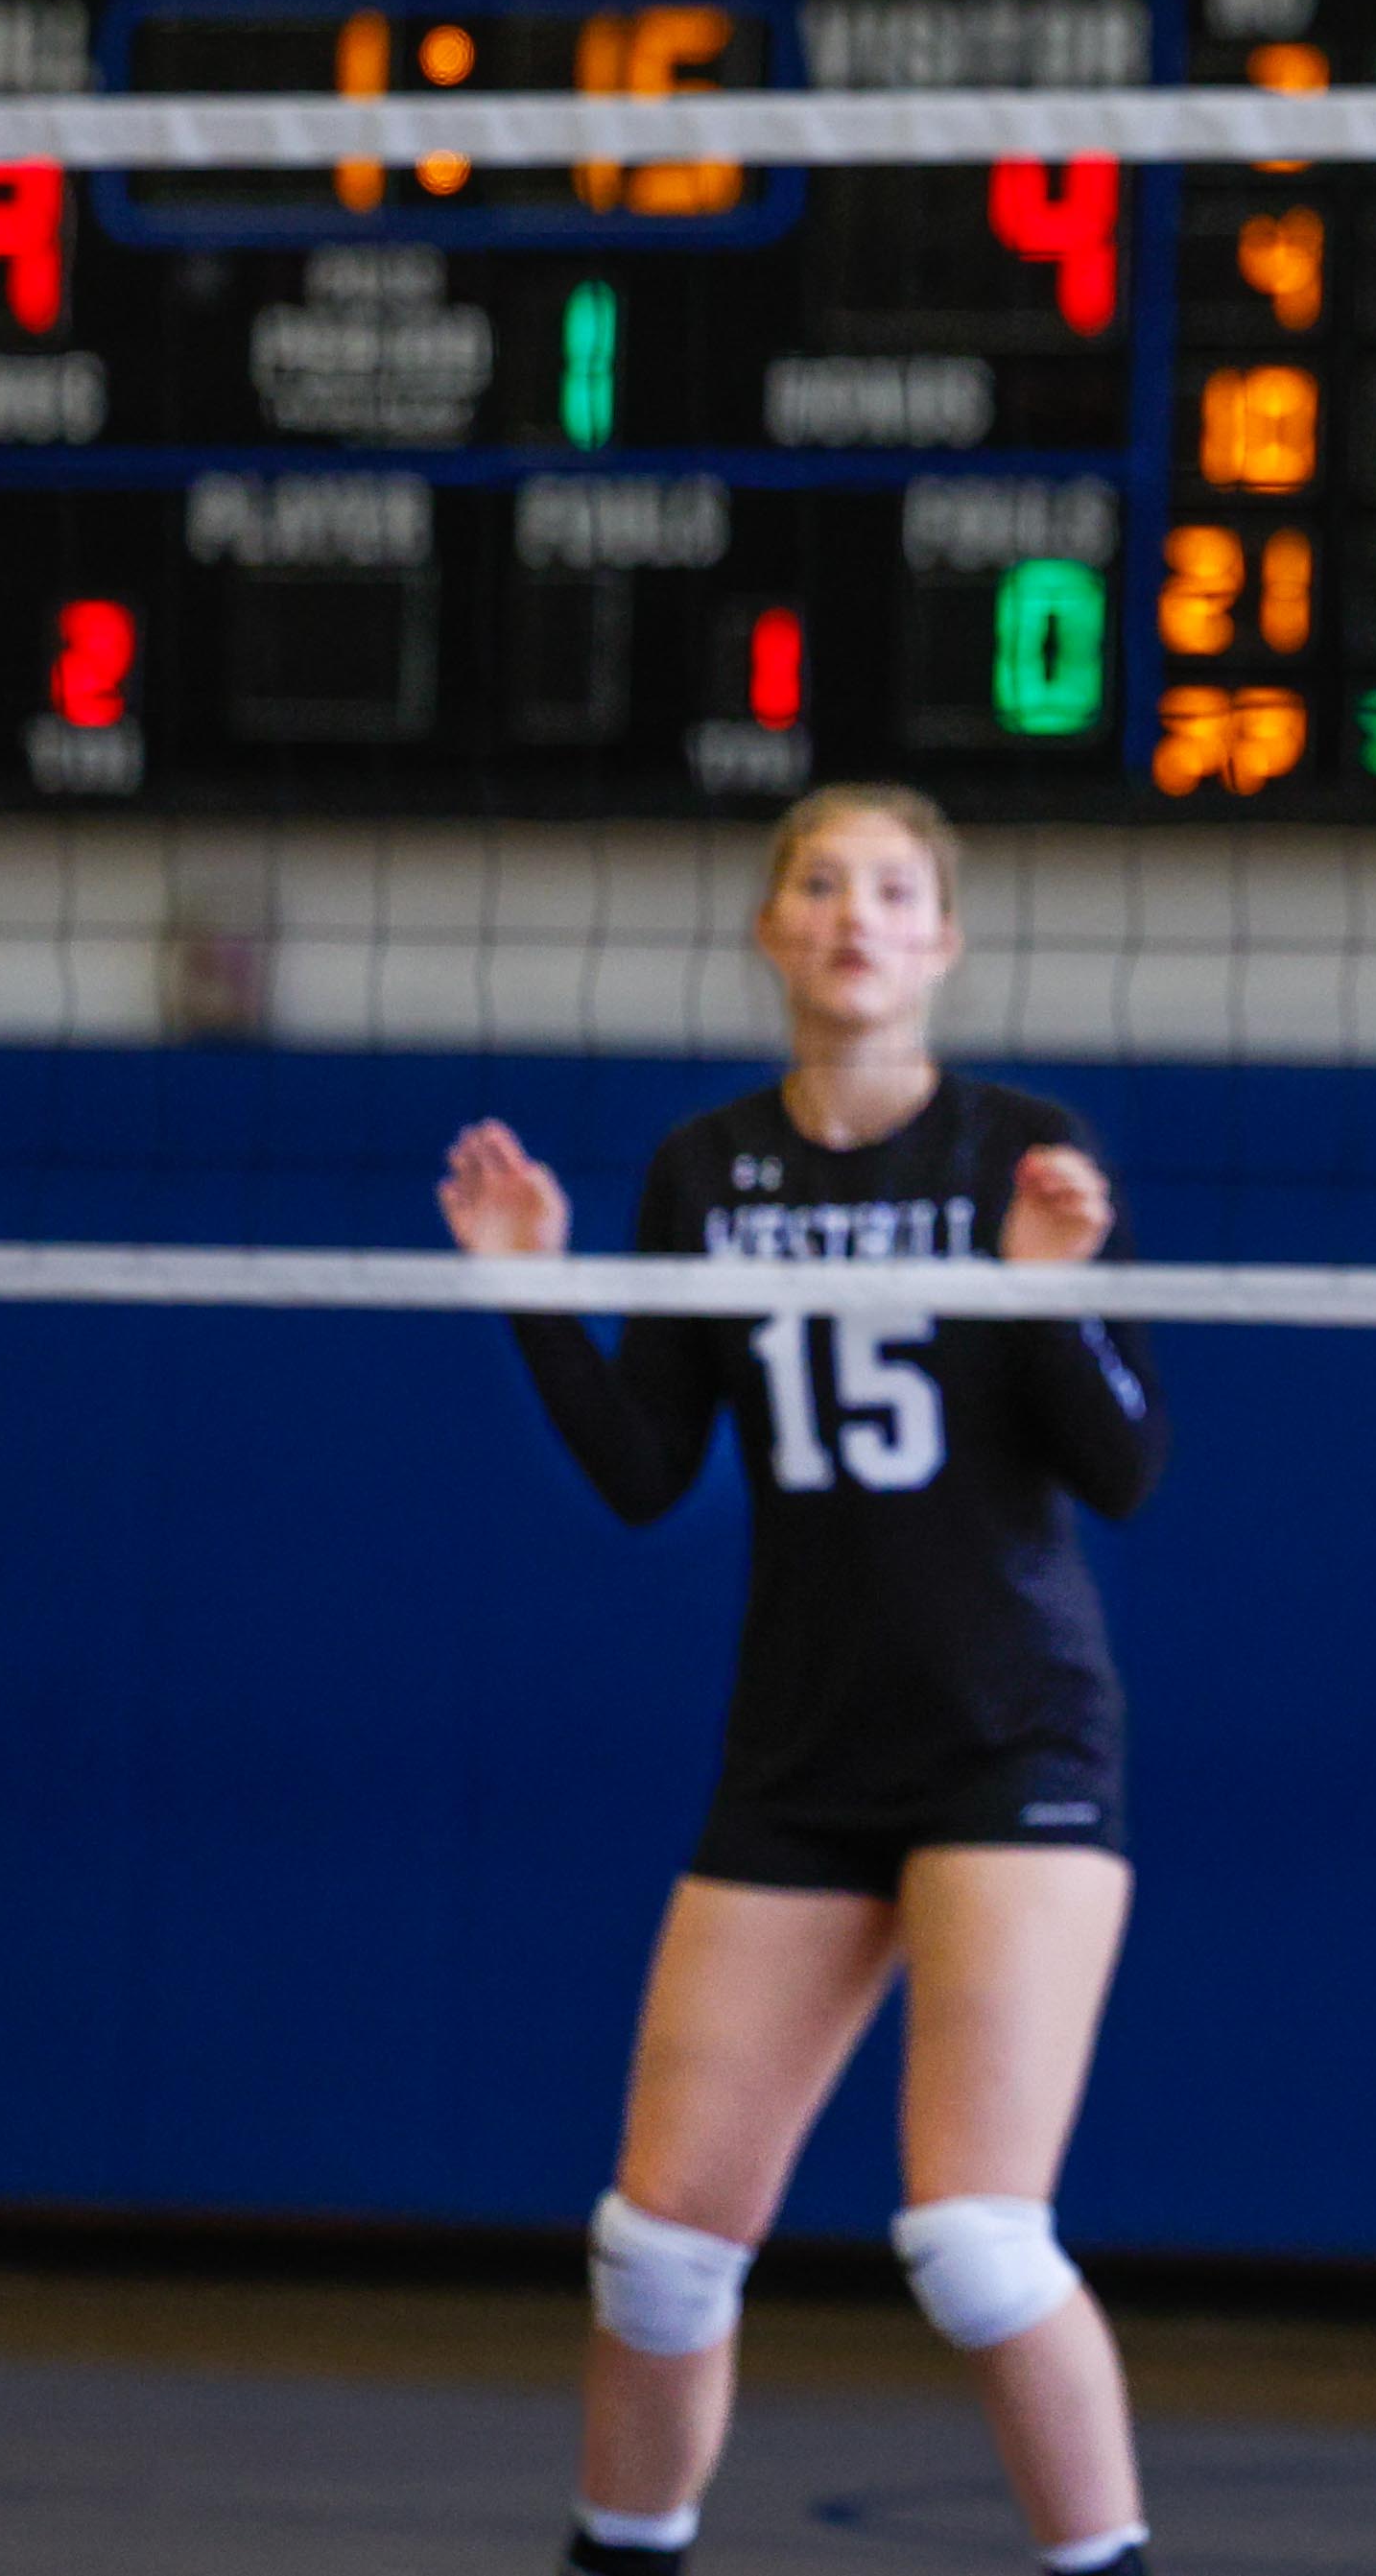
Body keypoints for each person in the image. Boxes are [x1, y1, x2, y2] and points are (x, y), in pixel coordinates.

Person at [439, 784, 1170, 2576]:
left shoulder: (1022, 1147)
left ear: (944, 940)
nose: (854, 912)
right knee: (661, 2245)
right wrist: (536, 1288)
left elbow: (1126, 1465)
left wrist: (1042, 1293)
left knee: (978, 2237)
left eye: (893, 886)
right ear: (773, 930)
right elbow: (641, 1470)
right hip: (802, 1746)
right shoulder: (705, 1169)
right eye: (818, 883)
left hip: (1017, 1740)